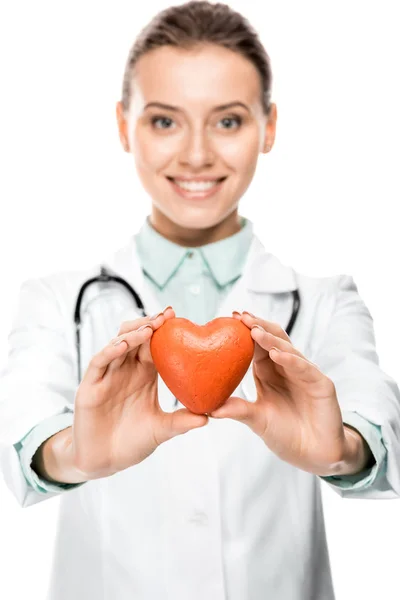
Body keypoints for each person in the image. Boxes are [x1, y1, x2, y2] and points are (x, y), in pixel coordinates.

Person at [1, 1, 399, 598]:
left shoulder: (326, 302)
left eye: (228, 121)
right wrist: (74, 454)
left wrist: (343, 449)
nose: (195, 155)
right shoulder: (57, 300)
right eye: (164, 121)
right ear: (122, 125)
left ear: (269, 127)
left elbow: (376, 419)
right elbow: (19, 431)